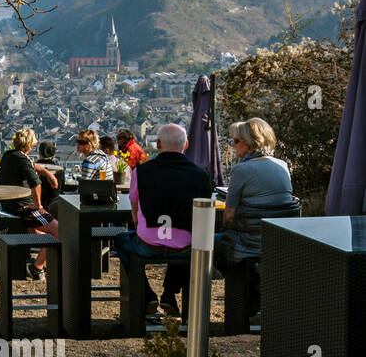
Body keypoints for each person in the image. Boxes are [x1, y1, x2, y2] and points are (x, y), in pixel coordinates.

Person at [114, 123, 214, 316]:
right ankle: (169, 292)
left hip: (148, 244)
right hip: (185, 246)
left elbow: (134, 207)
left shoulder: (142, 172)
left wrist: (140, 223)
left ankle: (147, 294)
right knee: (186, 244)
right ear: (186, 145)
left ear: (158, 144)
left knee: (122, 240)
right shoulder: (200, 175)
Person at [216, 117, 294, 268]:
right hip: (280, 243)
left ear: (247, 142)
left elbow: (228, 218)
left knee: (206, 244)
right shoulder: (283, 165)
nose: (233, 144)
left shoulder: (241, 170)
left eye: (236, 141)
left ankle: (239, 285)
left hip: (248, 244)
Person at [0, 129, 59, 277]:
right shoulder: (22, 159)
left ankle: (43, 260)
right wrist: (38, 205)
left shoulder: (9, 156)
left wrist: (47, 172)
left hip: (8, 204)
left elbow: (33, 166)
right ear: (30, 144)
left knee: (42, 235)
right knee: (59, 231)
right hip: (23, 208)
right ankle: (37, 268)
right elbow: (35, 182)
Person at [36, 140, 65, 205]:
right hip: (54, 205)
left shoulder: (33, 168)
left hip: (37, 204)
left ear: (40, 152)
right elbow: (62, 189)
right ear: (53, 154)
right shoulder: (59, 169)